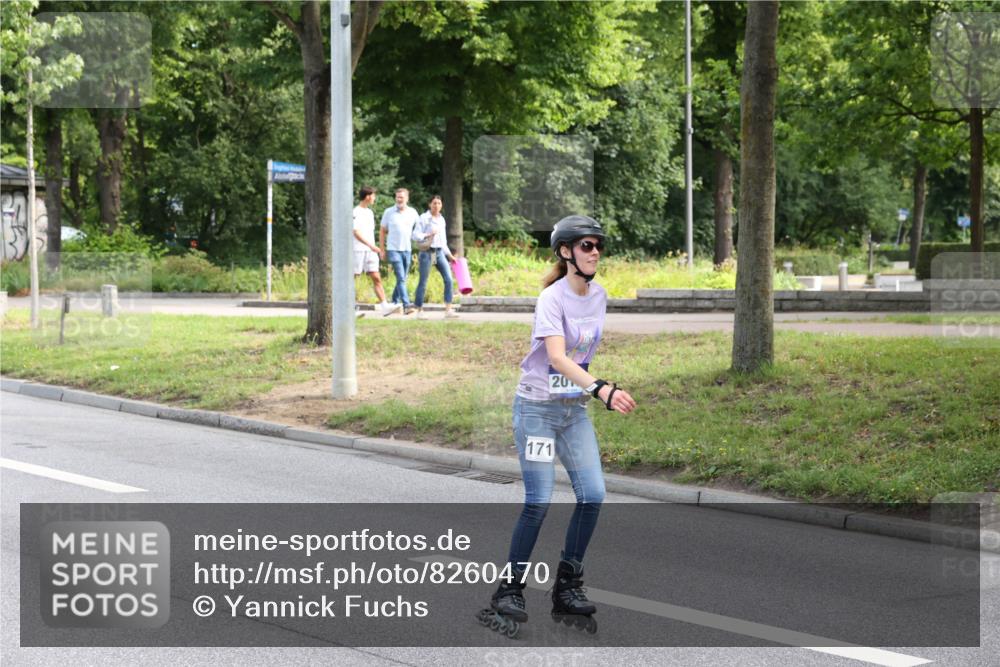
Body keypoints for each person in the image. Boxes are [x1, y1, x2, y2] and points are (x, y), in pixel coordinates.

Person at [479, 215, 637, 638]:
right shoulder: (552, 298)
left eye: (598, 245)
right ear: (566, 251)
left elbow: (580, 358)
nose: (595, 251)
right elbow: (557, 358)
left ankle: (567, 584)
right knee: (540, 500)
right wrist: (601, 388)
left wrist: (588, 391)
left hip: (572, 413)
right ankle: (509, 588)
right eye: (586, 245)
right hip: (537, 415)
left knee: (593, 495)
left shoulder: (599, 295)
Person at [353, 186, 400, 317]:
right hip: (358, 250)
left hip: (371, 250)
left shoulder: (370, 212)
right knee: (353, 278)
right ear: (367, 196)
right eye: (373, 195)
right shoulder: (355, 212)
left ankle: (384, 306)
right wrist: (371, 246)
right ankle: (350, 309)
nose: (374, 198)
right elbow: (356, 232)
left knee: (376, 277)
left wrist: (374, 247)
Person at [412, 195, 459, 320]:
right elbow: (415, 235)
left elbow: (443, 242)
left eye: (439, 203)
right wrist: (428, 234)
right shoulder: (423, 218)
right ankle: (419, 310)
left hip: (438, 253)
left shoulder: (441, 220)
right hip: (427, 252)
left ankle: (448, 309)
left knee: (448, 279)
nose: (436, 205)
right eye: (434, 203)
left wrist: (449, 256)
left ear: (441, 205)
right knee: (423, 281)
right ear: (429, 204)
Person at [379, 188, 420, 315]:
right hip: (393, 249)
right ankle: (407, 305)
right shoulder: (389, 212)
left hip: (407, 249)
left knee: (403, 277)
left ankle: (395, 302)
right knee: (401, 277)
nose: (398, 199)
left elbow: (419, 229)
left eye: (401, 197)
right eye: (397, 197)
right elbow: (382, 231)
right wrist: (382, 249)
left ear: (407, 198)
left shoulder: (413, 212)